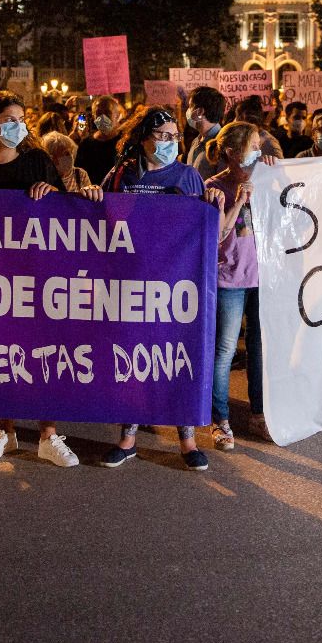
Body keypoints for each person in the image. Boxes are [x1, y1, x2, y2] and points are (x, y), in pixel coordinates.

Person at [0, 91, 99, 468]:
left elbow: (64, 211)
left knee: (40, 347)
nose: (17, 125)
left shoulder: (37, 160)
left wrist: (51, 192)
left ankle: (48, 434)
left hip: (35, 271)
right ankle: (6, 429)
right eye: (8, 118)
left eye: (21, 118)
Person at [100, 107, 222, 470]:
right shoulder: (121, 174)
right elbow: (100, 220)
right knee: (133, 359)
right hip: (130, 284)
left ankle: (186, 440)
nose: (169, 143)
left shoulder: (189, 176)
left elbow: (202, 232)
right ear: (143, 139)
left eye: (174, 137)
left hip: (175, 288)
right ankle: (128, 438)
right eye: (162, 136)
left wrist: (213, 205)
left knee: (174, 358)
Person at [203, 123, 275, 453]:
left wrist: (278, 174)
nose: (258, 153)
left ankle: (260, 413)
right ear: (232, 153)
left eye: (260, 147)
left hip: (262, 278)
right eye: (252, 147)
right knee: (225, 350)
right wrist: (239, 200)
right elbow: (217, 236)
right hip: (230, 279)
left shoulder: (266, 180)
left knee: (260, 349)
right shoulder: (213, 187)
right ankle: (221, 419)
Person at [74, 96, 125, 187]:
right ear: (94, 117)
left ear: (117, 116)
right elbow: (79, 174)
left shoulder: (126, 142)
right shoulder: (85, 144)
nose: (102, 117)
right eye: (98, 113)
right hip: (92, 196)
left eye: (107, 112)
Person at [185, 85, 227, 176]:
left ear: (200, 111)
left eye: (190, 106)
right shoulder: (196, 141)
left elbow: (224, 184)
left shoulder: (223, 144)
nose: (188, 111)